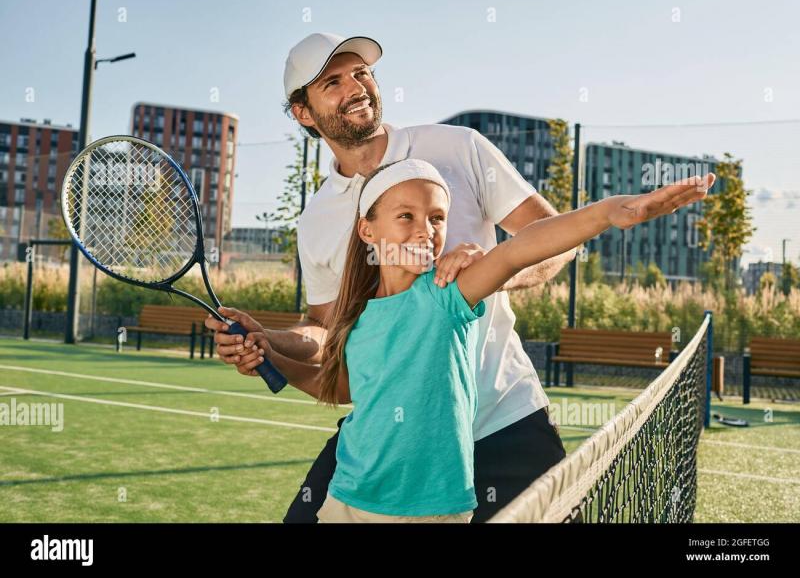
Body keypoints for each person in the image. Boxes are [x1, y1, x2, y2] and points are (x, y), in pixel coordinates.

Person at [207, 32, 578, 523]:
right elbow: (328, 335)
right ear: (304, 113)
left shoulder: (458, 146)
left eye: (362, 73)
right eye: (333, 82)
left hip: (503, 418)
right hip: (387, 437)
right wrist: (267, 339)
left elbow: (557, 238)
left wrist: (484, 278)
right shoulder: (317, 218)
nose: (356, 87)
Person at [249, 158, 715, 522]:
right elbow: (342, 390)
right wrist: (271, 355)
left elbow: (519, 250)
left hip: (436, 510)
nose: (425, 230)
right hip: (346, 500)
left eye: (437, 218)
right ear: (367, 229)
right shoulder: (355, 316)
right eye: (406, 215)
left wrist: (610, 212)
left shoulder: (448, 296)